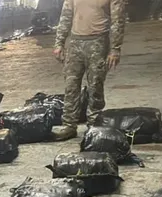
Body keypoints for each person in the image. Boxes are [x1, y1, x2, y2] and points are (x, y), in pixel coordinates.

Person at [51, 0, 126, 141]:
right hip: (75, 43)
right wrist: (59, 43)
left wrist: (115, 49)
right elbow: (66, 15)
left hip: (98, 42)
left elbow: (118, 20)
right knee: (71, 86)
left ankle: (94, 125)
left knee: (95, 86)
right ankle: (69, 125)